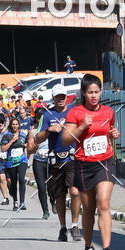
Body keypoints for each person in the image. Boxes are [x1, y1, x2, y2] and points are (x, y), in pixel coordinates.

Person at [62, 73, 120, 250]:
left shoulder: (108, 112)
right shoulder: (75, 113)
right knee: (89, 209)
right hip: (83, 164)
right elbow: (66, 139)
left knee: (103, 202)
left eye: (97, 92)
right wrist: (82, 127)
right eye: (90, 92)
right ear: (84, 93)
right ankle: (88, 247)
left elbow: (109, 133)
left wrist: (115, 133)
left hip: (104, 162)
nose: (94, 96)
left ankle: (107, 249)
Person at [35, 85, 80, 241]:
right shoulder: (47, 115)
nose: (61, 99)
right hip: (56, 159)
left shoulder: (74, 111)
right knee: (60, 195)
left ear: (67, 97)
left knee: (75, 192)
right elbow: (37, 138)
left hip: (72, 157)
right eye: (58, 96)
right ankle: (63, 228)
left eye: (63, 96)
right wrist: (48, 131)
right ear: (53, 98)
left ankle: (75, 226)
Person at [1, 116, 29, 211]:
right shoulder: (7, 135)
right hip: (11, 162)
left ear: (19, 125)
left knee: (21, 180)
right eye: (13, 124)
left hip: (22, 160)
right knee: (13, 182)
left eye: (16, 124)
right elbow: (3, 149)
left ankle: (22, 202)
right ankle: (15, 202)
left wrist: (26, 145)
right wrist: (12, 140)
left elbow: (28, 145)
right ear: (10, 125)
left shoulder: (23, 134)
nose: (15, 126)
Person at [27, 107, 50, 219]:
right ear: (35, 118)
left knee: (53, 186)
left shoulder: (51, 128)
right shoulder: (33, 131)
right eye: (38, 116)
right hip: (39, 161)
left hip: (51, 160)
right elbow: (30, 149)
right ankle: (45, 210)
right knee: (41, 187)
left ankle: (54, 200)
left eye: (42, 116)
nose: (40, 118)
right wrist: (36, 143)